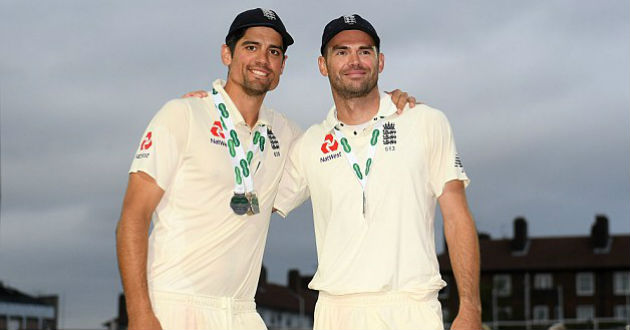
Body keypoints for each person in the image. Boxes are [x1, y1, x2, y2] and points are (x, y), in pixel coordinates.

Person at [116, 8, 416, 330]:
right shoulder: (183, 115)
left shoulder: (287, 135)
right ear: (226, 54)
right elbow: (133, 219)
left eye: (274, 51)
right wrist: (140, 314)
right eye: (251, 47)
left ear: (282, 66)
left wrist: (393, 107)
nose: (263, 59)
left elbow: (350, 152)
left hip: (242, 312)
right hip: (175, 304)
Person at [274, 14, 482, 330]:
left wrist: (470, 307)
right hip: (337, 312)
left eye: (365, 51)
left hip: (411, 308)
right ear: (323, 64)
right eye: (341, 51)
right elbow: (253, 206)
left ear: (380, 61)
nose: (354, 60)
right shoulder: (310, 143)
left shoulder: (424, 121)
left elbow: (457, 217)